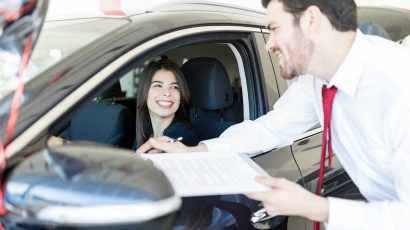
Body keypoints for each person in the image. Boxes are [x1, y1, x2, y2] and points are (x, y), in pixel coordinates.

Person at [137, 0, 410, 229]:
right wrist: (195, 153)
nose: (269, 44)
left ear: (311, 20)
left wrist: (315, 207)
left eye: (275, 29)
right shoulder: (315, 82)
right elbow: (271, 128)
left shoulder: (398, 86)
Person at [133, 58, 198, 150]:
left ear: (181, 97)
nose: (167, 93)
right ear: (144, 92)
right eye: (158, 85)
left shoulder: (181, 134)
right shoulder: (145, 131)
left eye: (174, 87)